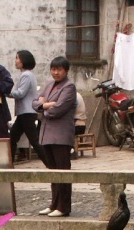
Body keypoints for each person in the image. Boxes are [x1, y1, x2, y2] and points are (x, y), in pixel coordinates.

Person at [33, 56, 77, 217]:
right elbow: (34, 102)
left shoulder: (69, 87)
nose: (56, 72)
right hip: (46, 134)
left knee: (62, 171)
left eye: (59, 69)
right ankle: (54, 203)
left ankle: (63, 206)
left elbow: (58, 109)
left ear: (66, 71)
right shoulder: (49, 85)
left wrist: (44, 107)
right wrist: (44, 104)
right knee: (52, 171)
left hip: (61, 135)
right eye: (53, 69)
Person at [9, 50, 43, 162]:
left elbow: (20, 93)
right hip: (25, 112)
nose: (16, 60)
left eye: (17, 58)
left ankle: (49, 161)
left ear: (24, 60)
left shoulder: (26, 75)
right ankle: (10, 162)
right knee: (13, 137)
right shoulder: (28, 75)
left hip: (27, 112)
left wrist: (6, 92)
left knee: (33, 140)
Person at [71, 91, 87, 160]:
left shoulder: (72, 96)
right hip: (81, 125)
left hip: (77, 126)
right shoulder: (77, 94)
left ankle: (71, 151)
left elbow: (70, 112)